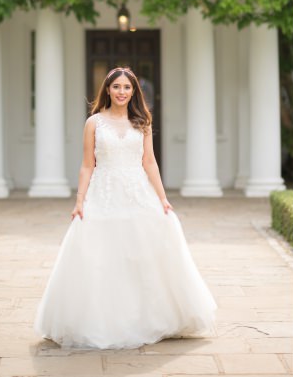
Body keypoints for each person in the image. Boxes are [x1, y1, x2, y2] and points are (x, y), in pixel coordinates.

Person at [34, 67, 217, 349]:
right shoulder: (94, 122)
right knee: (102, 255)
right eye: (116, 87)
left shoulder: (142, 122)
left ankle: (148, 318)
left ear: (134, 92)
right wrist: (80, 199)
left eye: (127, 88)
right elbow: (87, 164)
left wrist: (163, 198)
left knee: (141, 255)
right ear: (107, 90)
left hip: (137, 193)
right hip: (103, 194)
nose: (121, 92)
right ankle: (100, 320)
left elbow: (149, 162)